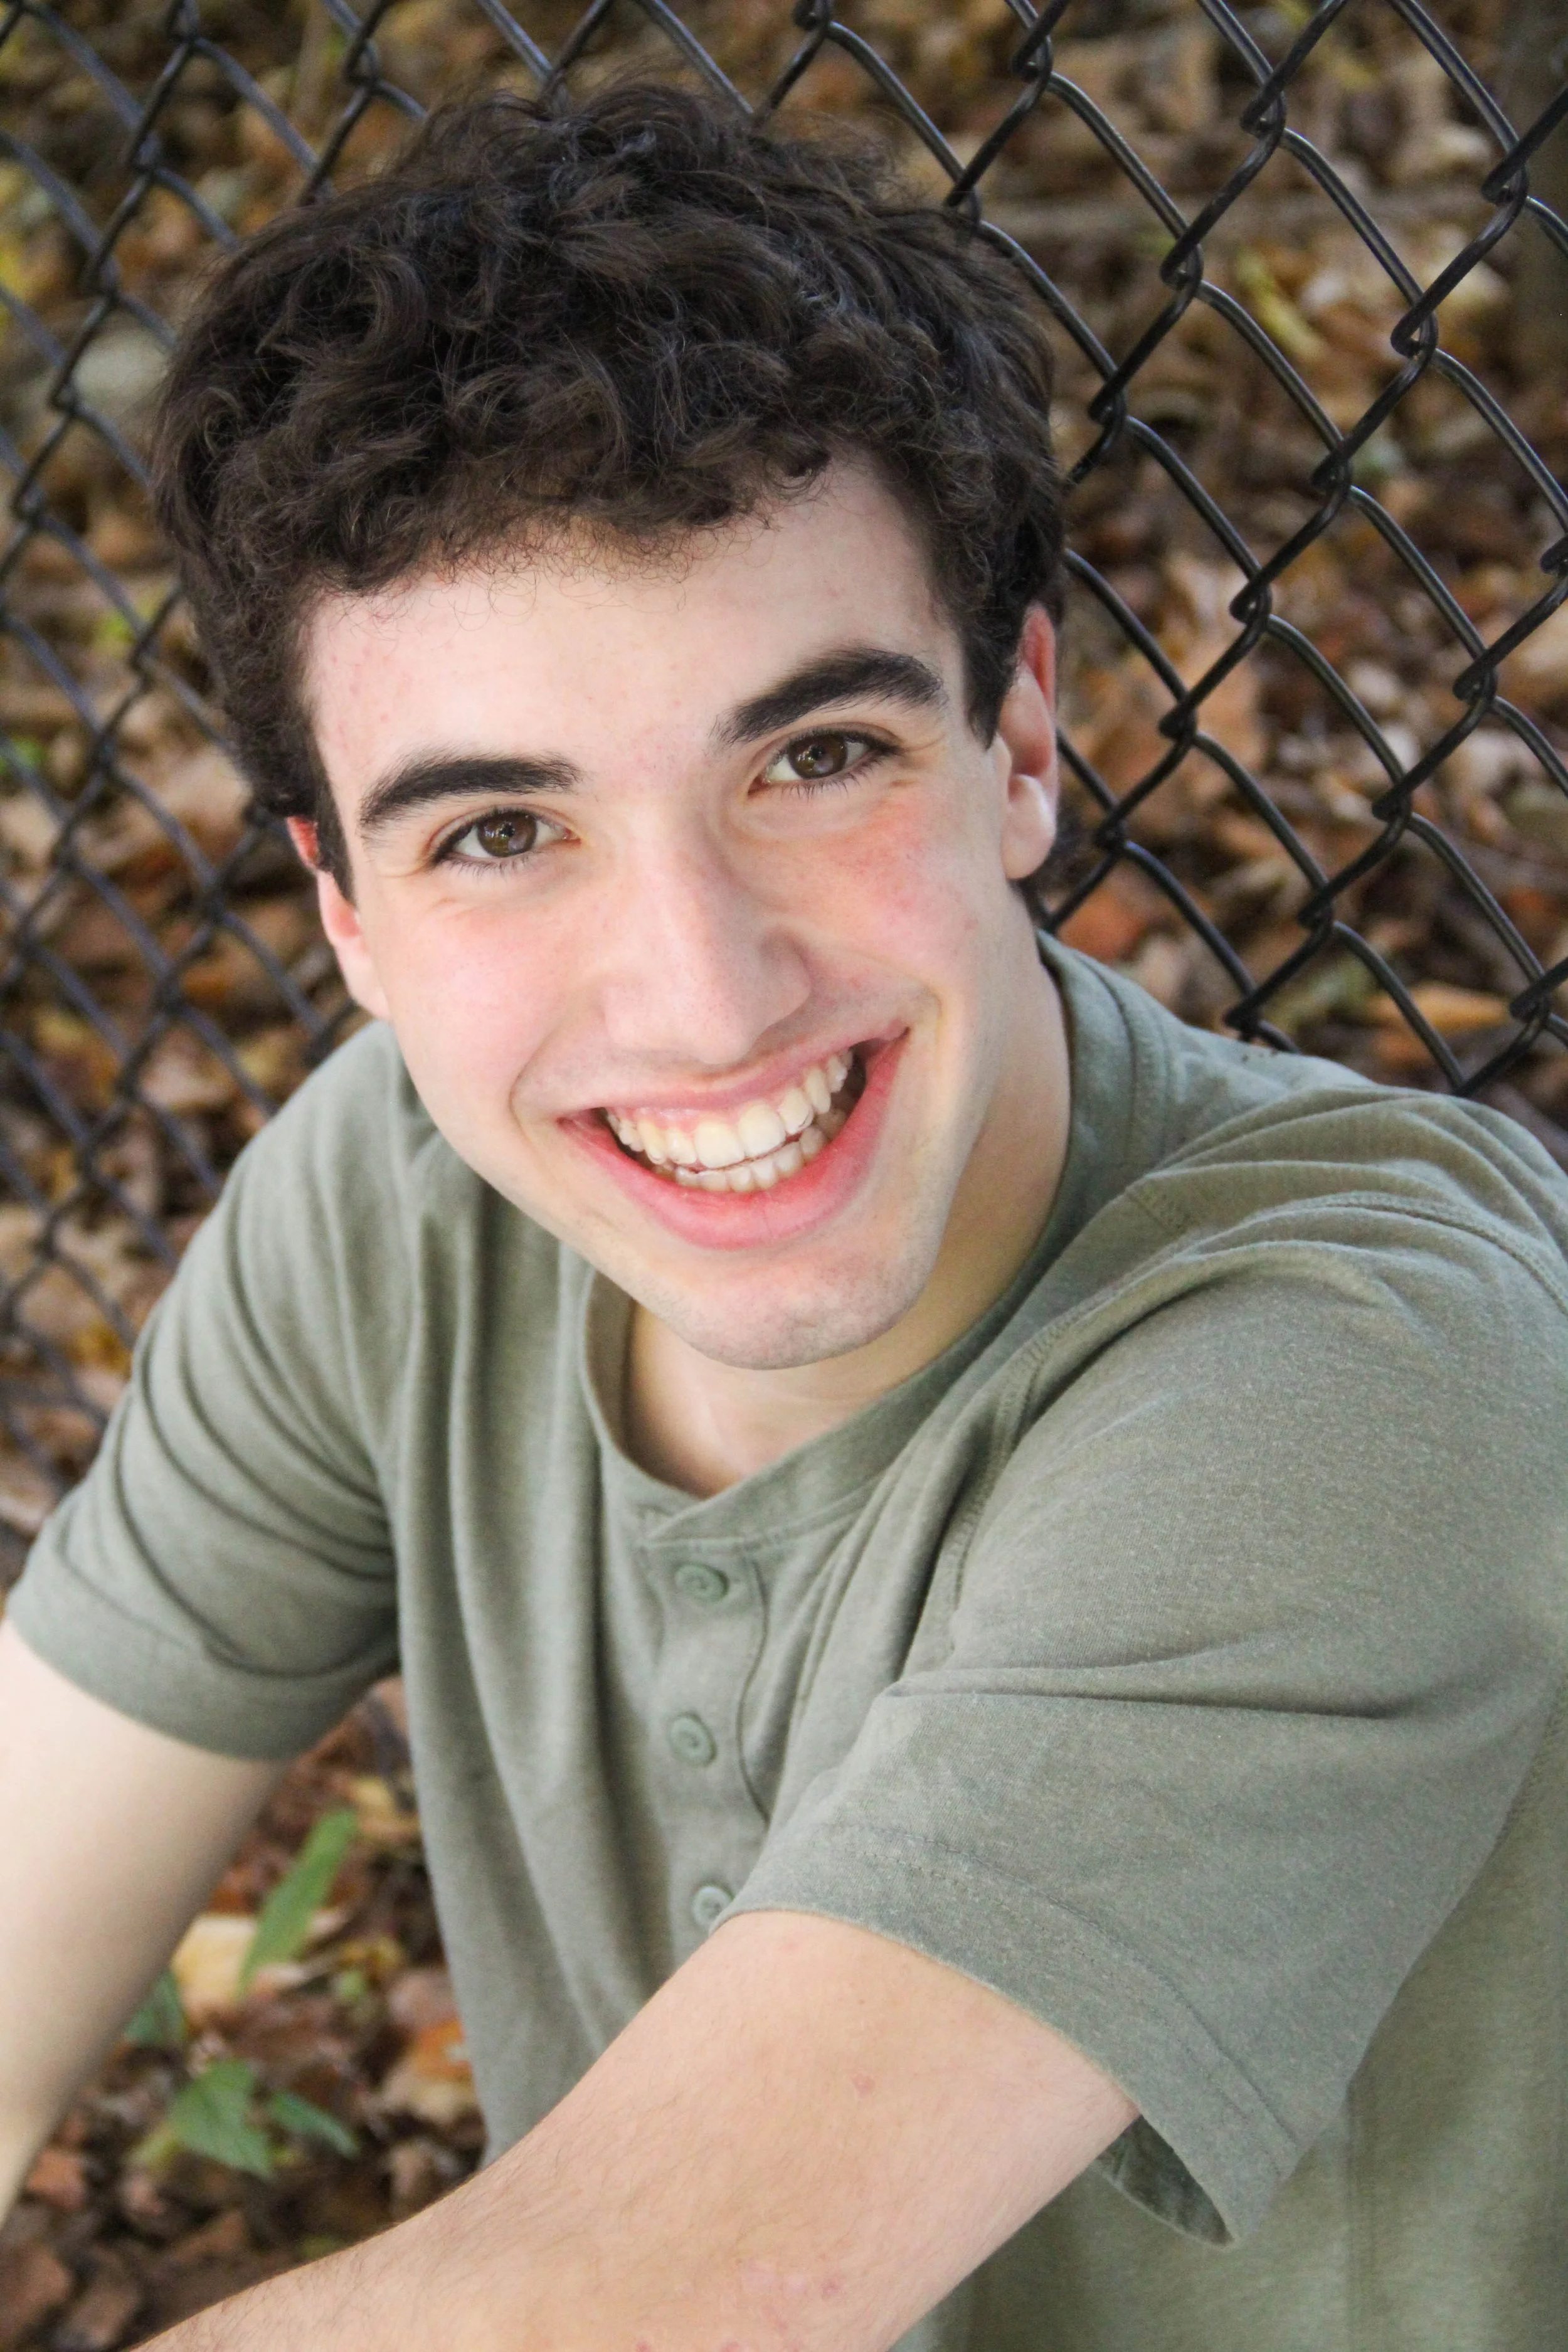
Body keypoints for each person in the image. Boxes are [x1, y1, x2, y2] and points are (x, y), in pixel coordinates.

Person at [1, 80, 1565, 2352]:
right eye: (497, 833)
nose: (704, 993)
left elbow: (617, 2307)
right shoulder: (404, 1199)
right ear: (342, 907)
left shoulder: (1373, 1354)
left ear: (1018, 740)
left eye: (810, 758)